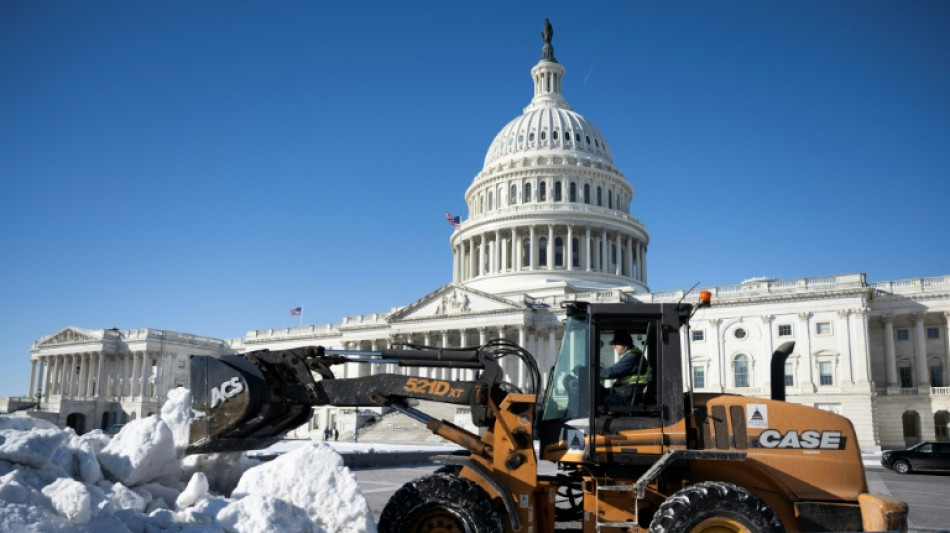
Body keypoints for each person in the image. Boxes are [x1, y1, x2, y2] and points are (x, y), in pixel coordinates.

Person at [600, 329, 651, 407]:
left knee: (597, 399)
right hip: (627, 393)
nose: (614, 347)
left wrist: (592, 370)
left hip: (628, 397)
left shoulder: (632, 357)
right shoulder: (632, 356)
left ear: (624, 346)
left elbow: (609, 373)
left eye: (616, 344)